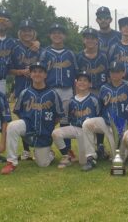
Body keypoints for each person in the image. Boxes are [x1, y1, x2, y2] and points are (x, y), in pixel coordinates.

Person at [0, 62, 65, 174]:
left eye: (40, 72)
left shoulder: (53, 94)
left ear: (45, 75)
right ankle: (11, 162)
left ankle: (50, 153)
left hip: (44, 132)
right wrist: (26, 126)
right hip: (28, 127)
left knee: (43, 164)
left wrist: (47, 126)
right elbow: (18, 112)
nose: (37, 74)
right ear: (30, 74)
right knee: (12, 126)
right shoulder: (25, 93)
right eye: (34, 71)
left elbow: (58, 116)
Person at [81, 61, 128, 171]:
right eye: (112, 72)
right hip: (105, 123)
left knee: (119, 158)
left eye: (118, 72)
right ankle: (91, 158)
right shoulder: (104, 88)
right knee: (87, 124)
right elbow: (100, 108)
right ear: (109, 73)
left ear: (123, 73)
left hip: (121, 127)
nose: (115, 74)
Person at [40, 23, 78, 161]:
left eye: (60, 32)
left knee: (65, 121)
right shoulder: (45, 53)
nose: (57, 35)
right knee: (47, 120)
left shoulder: (70, 54)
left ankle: (67, 151)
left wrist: (76, 94)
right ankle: (46, 148)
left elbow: (76, 75)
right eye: (54, 32)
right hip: (49, 90)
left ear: (64, 36)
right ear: (50, 35)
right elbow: (40, 74)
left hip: (66, 90)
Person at [52, 71, 100, 168]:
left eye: (85, 80)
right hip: (75, 128)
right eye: (80, 80)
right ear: (76, 83)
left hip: (88, 132)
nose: (82, 82)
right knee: (56, 133)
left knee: (83, 162)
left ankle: (93, 154)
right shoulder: (71, 101)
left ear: (90, 84)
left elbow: (99, 118)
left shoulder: (94, 99)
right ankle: (67, 155)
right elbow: (67, 119)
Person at [9, 19, 42, 161]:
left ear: (34, 32)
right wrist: (21, 72)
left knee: (38, 117)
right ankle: (27, 150)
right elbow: (8, 69)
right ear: (20, 33)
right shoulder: (14, 47)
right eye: (24, 31)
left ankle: (38, 147)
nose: (27, 33)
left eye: (29, 30)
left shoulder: (40, 48)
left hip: (38, 88)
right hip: (22, 86)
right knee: (23, 119)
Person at [77, 27, 109, 160]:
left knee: (100, 117)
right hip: (85, 90)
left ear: (97, 40)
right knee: (88, 118)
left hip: (100, 90)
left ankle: (100, 145)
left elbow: (108, 75)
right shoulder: (79, 56)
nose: (89, 40)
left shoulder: (103, 56)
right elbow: (76, 77)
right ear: (84, 40)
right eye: (87, 38)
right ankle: (90, 145)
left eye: (93, 38)